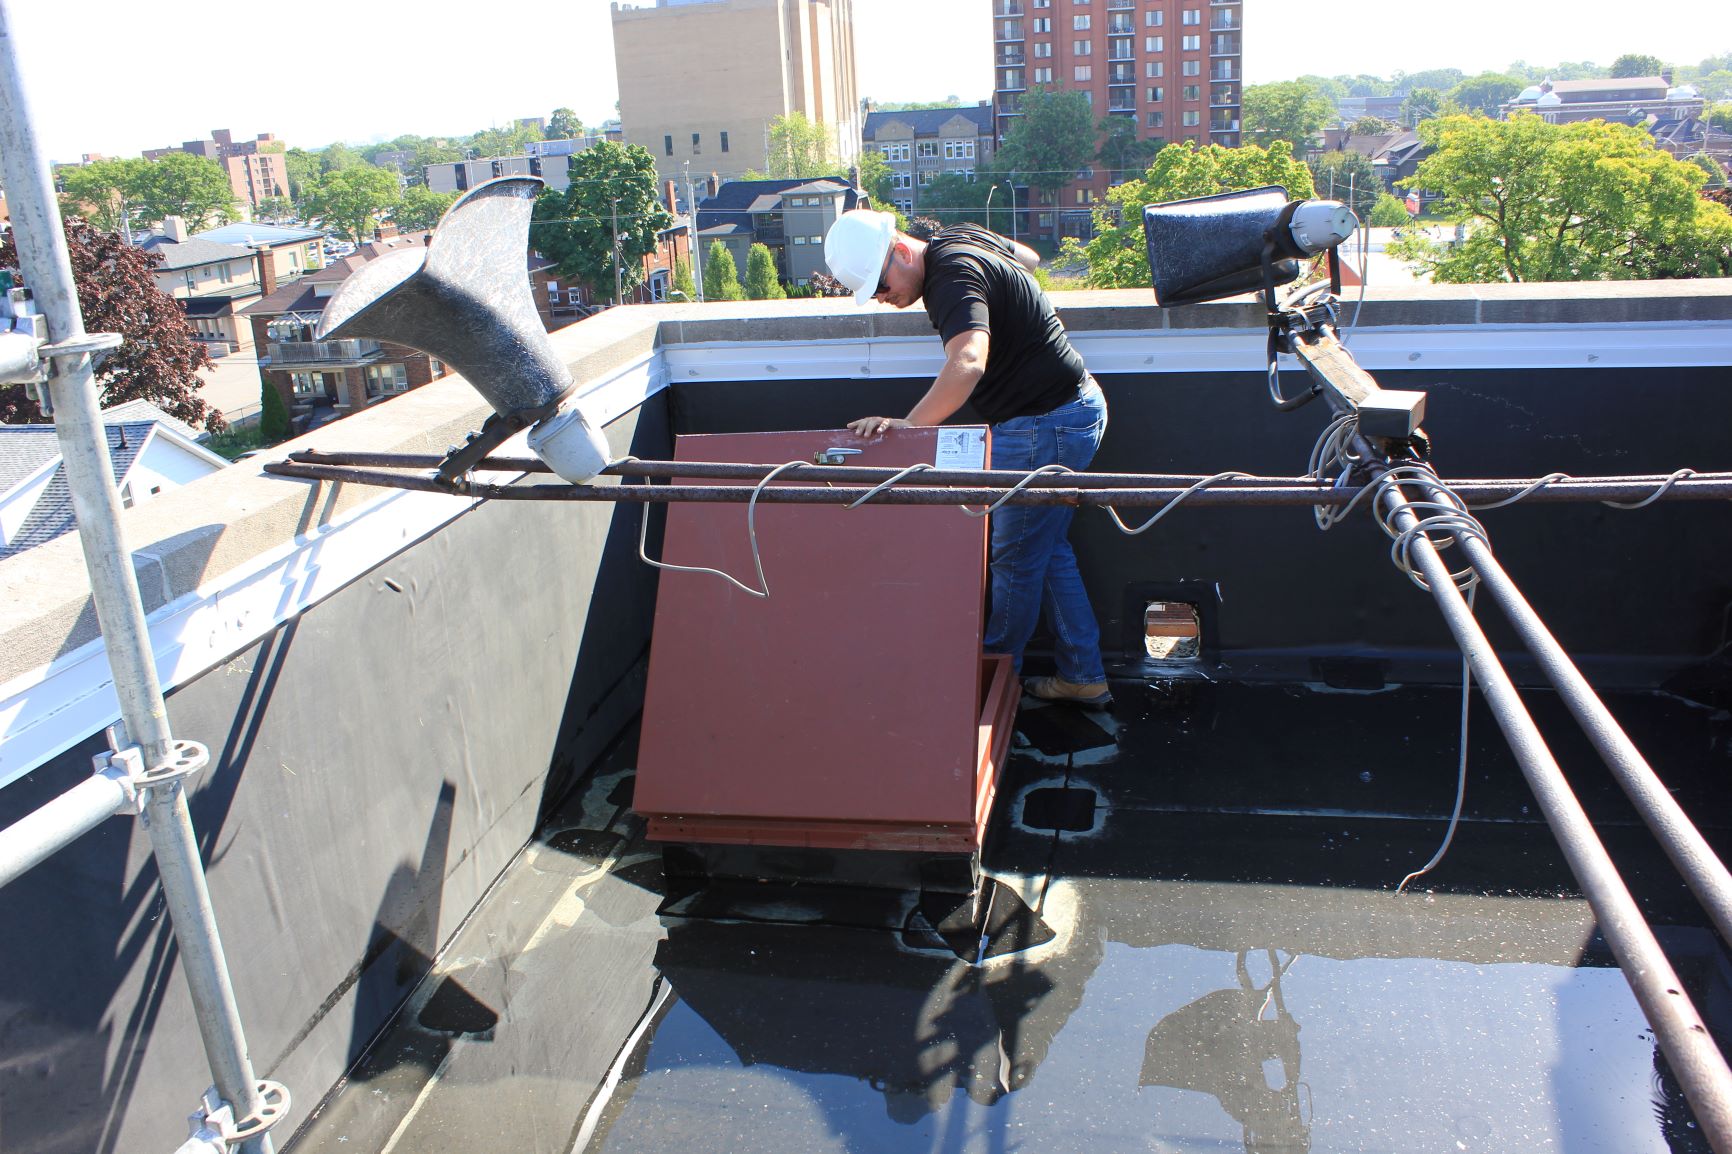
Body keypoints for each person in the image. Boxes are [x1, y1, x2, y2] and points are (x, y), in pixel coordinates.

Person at [822, 209, 1111, 709]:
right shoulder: (958, 240)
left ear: (902, 251)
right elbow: (1031, 259)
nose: (886, 299)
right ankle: (1083, 674)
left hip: (1044, 425)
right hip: (1070, 408)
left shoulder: (950, 277)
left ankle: (989, 686)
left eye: (883, 285)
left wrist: (911, 430)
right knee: (1046, 549)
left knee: (1016, 560)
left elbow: (969, 360)